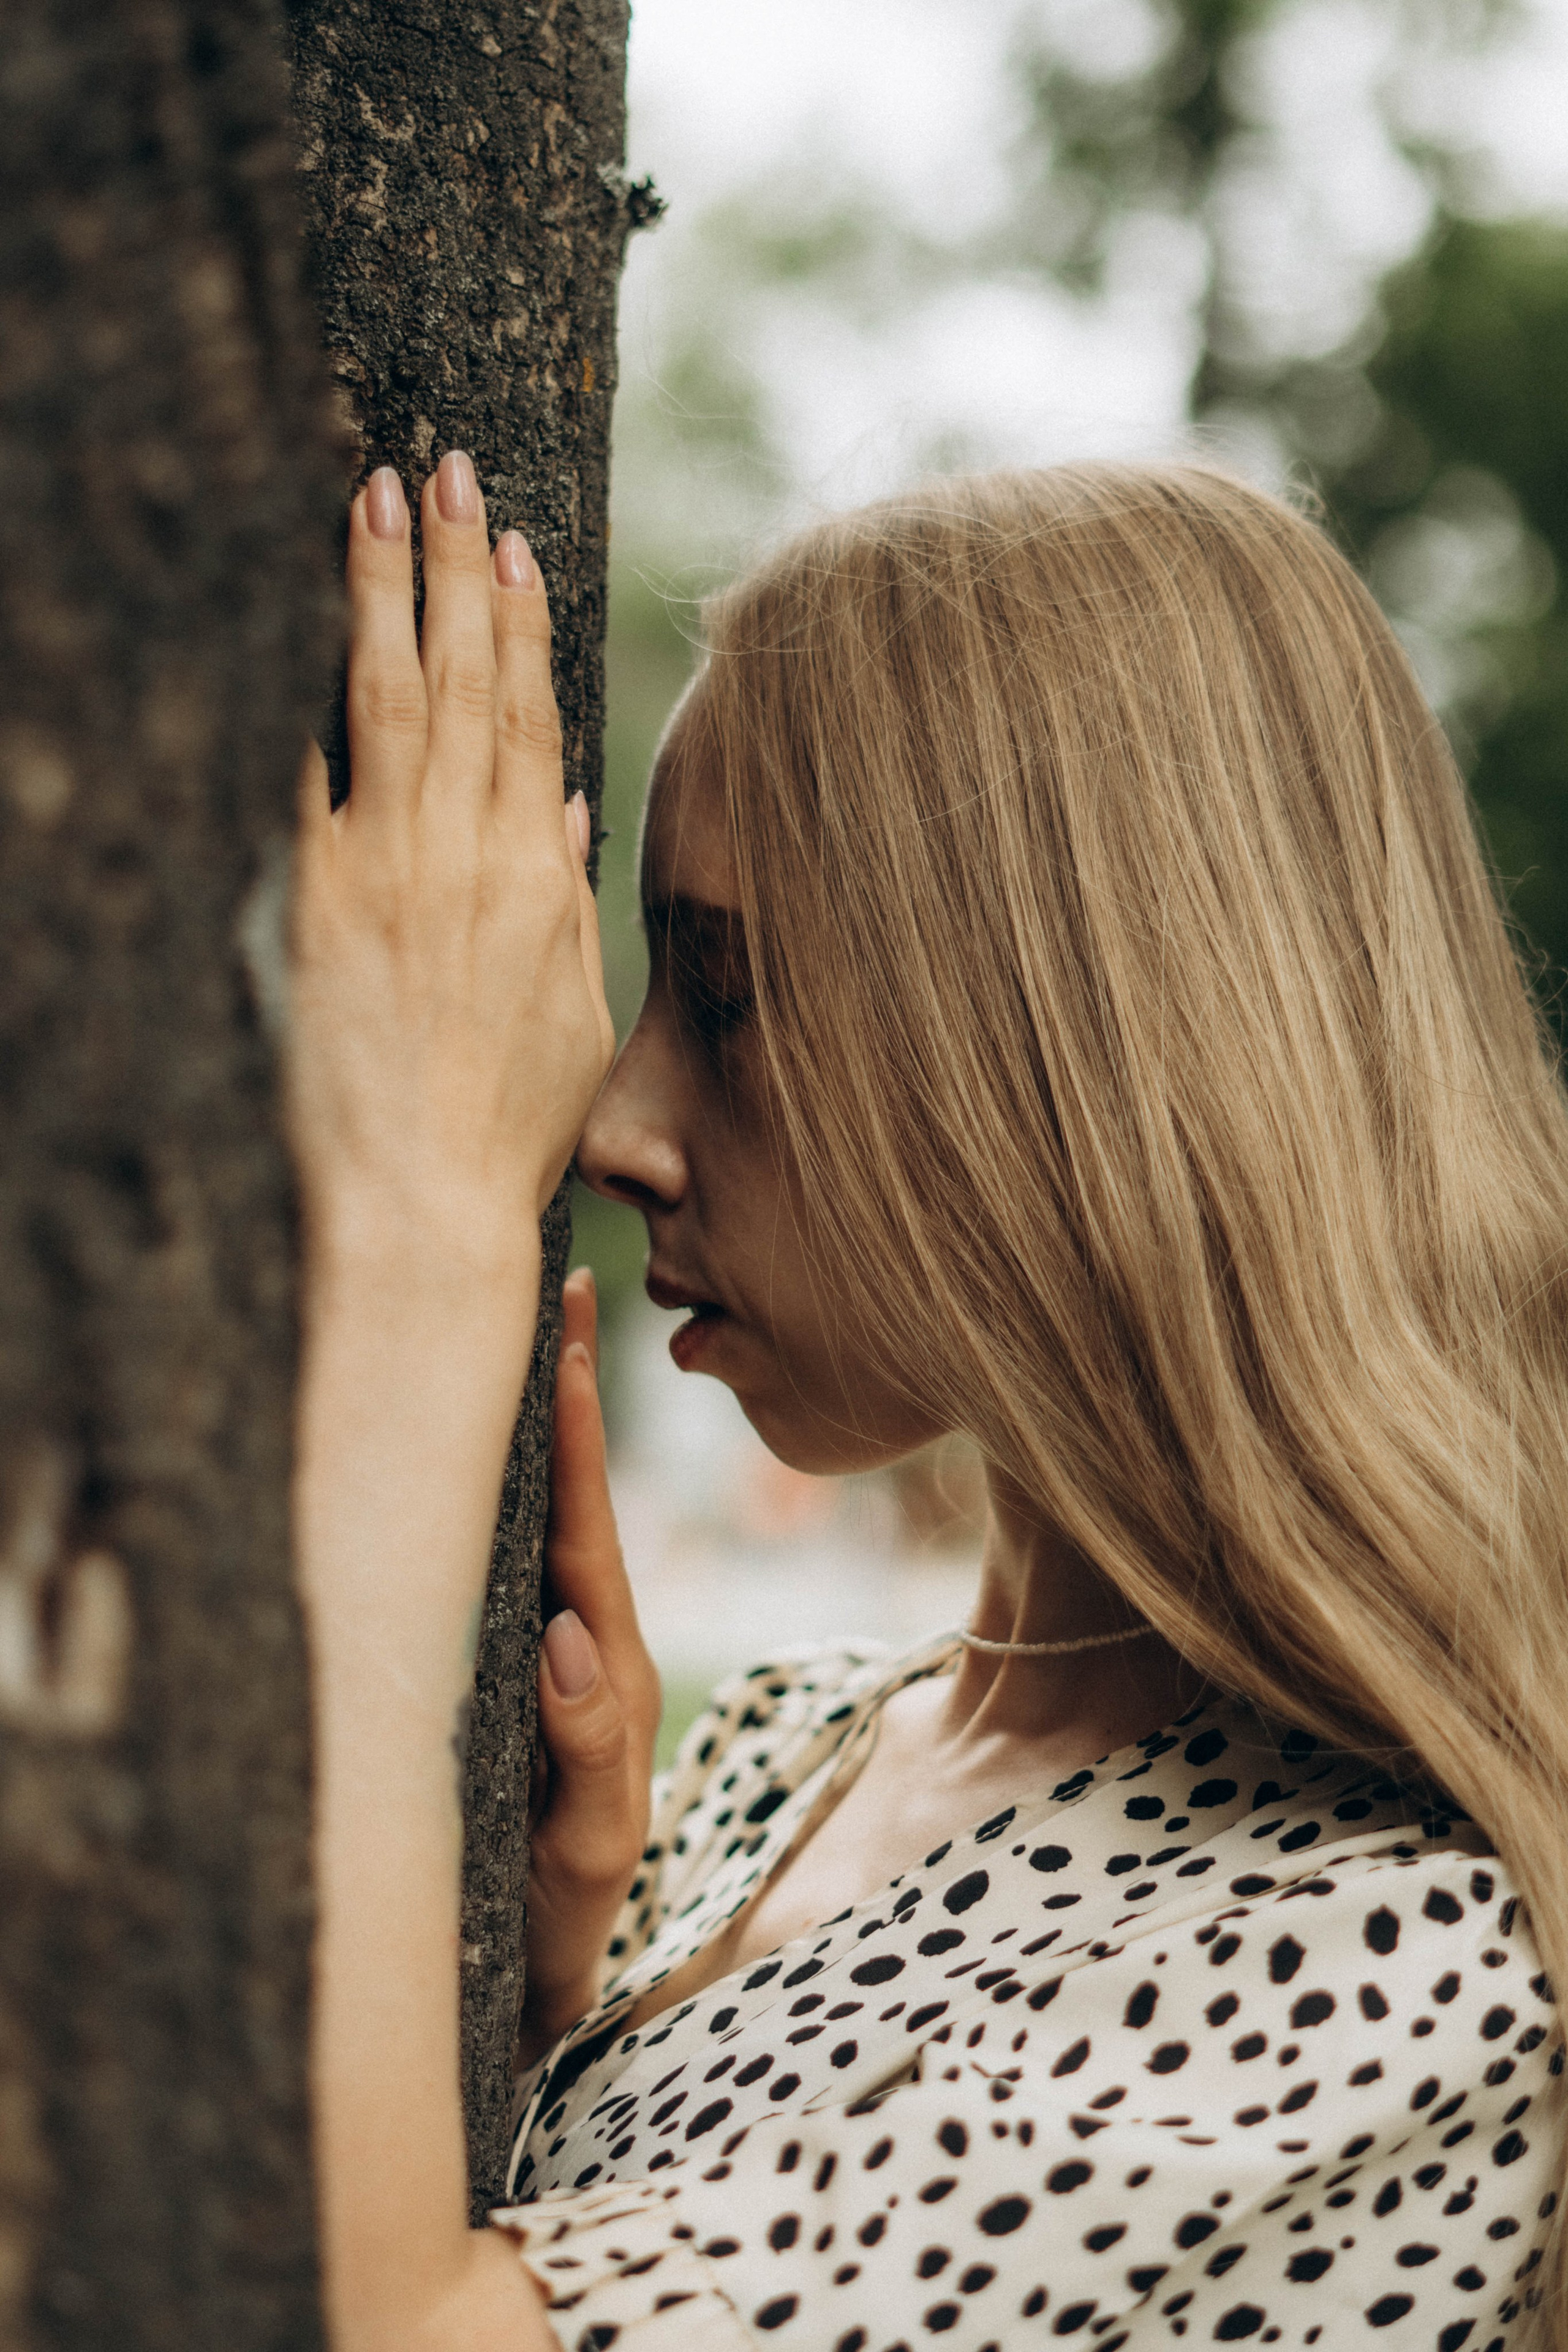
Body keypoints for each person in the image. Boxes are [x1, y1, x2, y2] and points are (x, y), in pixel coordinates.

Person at [290, 450, 1568, 2352]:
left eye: (727, 998)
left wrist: (419, 1243)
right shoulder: (786, 1750)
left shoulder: (1392, 1955)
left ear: (1088, 1059)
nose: (618, 1127)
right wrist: (548, 2008)